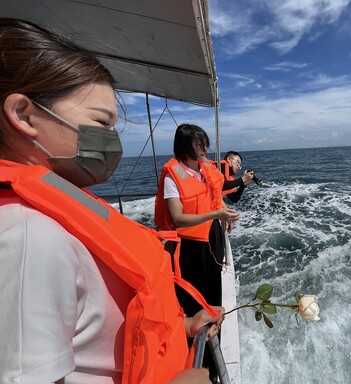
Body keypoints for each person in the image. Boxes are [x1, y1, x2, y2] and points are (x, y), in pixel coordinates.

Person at [0, 18, 223, 384]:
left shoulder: (55, 217)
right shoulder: (26, 237)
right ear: (24, 116)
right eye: (101, 123)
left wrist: (183, 325)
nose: (110, 140)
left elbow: (101, 331)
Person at [154, 124, 240, 380]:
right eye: (198, 145)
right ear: (185, 147)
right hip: (190, 249)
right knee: (194, 301)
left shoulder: (204, 170)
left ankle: (213, 356)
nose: (204, 150)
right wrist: (217, 214)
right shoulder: (173, 176)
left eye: (204, 144)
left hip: (210, 241)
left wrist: (225, 217)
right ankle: (196, 364)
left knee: (213, 298)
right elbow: (178, 219)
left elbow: (215, 197)